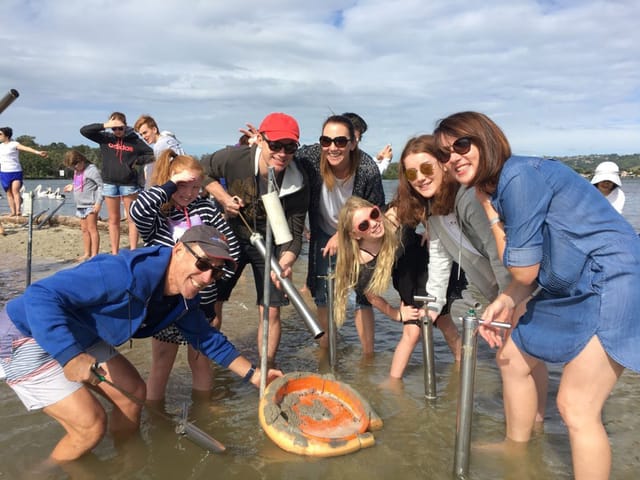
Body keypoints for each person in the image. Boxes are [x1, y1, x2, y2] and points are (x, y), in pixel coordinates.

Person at [434, 111, 640, 479]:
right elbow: (528, 267)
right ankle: (518, 450)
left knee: (577, 406)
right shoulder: (500, 187)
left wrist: (486, 210)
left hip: (614, 279)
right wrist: (508, 299)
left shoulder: (517, 176)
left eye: (461, 145)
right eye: (444, 153)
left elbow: (523, 268)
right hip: (573, 282)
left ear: (487, 140)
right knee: (512, 357)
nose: (453, 158)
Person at [0, 224, 282, 464]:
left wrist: (254, 375)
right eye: (203, 264)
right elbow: (40, 295)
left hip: (78, 331)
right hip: (23, 336)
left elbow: (205, 337)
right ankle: (45, 471)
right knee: (90, 427)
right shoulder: (122, 274)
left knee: (134, 391)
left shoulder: (183, 298)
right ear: (179, 250)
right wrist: (69, 355)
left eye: (217, 272)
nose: (208, 277)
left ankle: (129, 461)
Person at [129, 150, 240, 402]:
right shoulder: (157, 216)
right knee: (162, 362)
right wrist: (169, 186)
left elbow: (232, 247)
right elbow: (137, 211)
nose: (189, 193)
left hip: (203, 302)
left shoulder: (207, 210)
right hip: (167, 303)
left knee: (201, 360)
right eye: (183, 185)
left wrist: (217, 276)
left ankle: (204, 412)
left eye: (195, 186)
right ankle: (154, 413)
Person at [201, 112, 309, 367]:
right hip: (231, 233)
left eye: (290, 147)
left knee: (271, 309)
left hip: (271, 240)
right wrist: (223, 197)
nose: (283, 153)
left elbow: (294, 231)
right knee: (212, 300)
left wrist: (286, 261)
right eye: (276, 145)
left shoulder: (299, 178)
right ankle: (208, 364)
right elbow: (201, 171)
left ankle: (266, 368)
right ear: (260, 140)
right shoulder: (233, 158)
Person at [333, 196, 460, 379]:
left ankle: (461, 367)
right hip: (406, 279)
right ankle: (395, 382)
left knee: (441, 323)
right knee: (415, 331)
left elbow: (418, 203)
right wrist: (396, 314)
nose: (374, 224)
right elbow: (372, 296)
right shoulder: (361, 261)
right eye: (363, 225)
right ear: (355, 234)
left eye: (374, 214)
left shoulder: (393, 217)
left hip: (428, 265)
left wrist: (430, 228)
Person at [296, 114, 385, 354]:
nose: (333, 147)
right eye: (326, 141)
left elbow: (377, 212)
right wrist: (256, 147)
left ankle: (368, 356)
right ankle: (326, 349)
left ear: (353, 142)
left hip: (359, 233)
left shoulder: (367, 168)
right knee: (323, 293)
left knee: (364, 294)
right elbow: (283, 157)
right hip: (323, 232)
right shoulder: (311, 157)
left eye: (340, 142)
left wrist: (344, 235)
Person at [80, 112, 155, 254]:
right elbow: (84, 131)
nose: (117, 131)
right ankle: (115, 252)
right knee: (113, 219)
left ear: (125, 126)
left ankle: (133, 250)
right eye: (114, 128)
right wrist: (106, 125)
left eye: (120, 128)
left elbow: (152, 154)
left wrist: (137, 161)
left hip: (129, 184)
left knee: (132, 218)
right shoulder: (104, 138)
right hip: (109, 183)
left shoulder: (134, 140)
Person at [62, 150, 103, 261]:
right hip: (80, 205)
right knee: (84, 230)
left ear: (81, 161)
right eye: (72, 168)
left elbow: (101, 186)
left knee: (92, 229)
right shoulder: (77, 171)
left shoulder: (92, 170)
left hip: (91, 204)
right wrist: (72, 186)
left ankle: (95, 255)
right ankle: (87, 253)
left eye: (75, 166)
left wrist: (98, 203)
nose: (74, 169)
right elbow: (79, 182)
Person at [0, 126, 48, 217]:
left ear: (7, 135)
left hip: (15, 171)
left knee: (15, 191)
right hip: (4, 172)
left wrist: (38, 152)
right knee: (9, 193)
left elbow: (27, 148)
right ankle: (13, 211)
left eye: (0, 134)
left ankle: (18, 211)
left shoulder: (14, 144)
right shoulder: (0, 146)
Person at [133, 114, 184, 189]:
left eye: (145, 132)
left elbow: (163, 171)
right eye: (141, 135)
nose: (143, 137)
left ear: (154, 130)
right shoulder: (168, 139)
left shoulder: (159, 146)